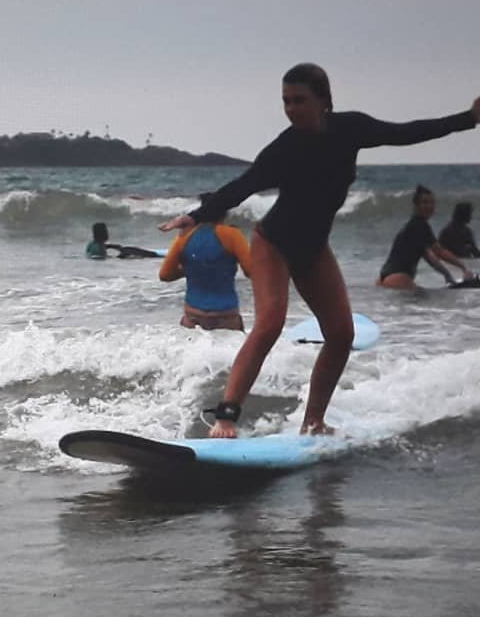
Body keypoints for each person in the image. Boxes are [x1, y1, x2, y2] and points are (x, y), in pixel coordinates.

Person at [159, 63, 479, 438]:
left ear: (324, 100)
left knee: (341, 335)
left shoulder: (351, 129)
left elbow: (406, 133)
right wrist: (196, 215)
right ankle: (227, 416)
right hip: (273, 244)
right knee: (270, 324)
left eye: (299, 100)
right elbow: (240, 187)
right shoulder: (284, 149)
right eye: (286, 101)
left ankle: (313, 421)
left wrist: (468, 119)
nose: (291, 108)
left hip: (313, 249)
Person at [159, 195, 252, 331]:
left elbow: (165, 275)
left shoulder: (184, 236)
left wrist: (191, 269)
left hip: (193, 315)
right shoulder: (232, 235)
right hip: (226, 315)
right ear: (225, 212)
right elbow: (250, 271)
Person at [377, 186, 473, 288]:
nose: (429, 206)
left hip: (383, 279)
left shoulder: (412, 226)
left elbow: (429, 257)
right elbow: (440, 252)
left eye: (432, 203)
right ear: (416, 205)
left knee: (428, 298)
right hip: (399, 278)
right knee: (432, 299)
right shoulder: (420, 225)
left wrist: (447, 275)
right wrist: (463, 267)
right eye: (425, 202)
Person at [86, 222, 159, 259]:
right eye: (106, 231)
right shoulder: (100, 249)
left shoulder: (92, 243)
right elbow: (106, 258)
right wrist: (122, 256)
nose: (107, 233)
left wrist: (112, 246)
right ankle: (153, 255)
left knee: (126, 249)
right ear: (102, 233)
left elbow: (102, 248)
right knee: (132, 253)